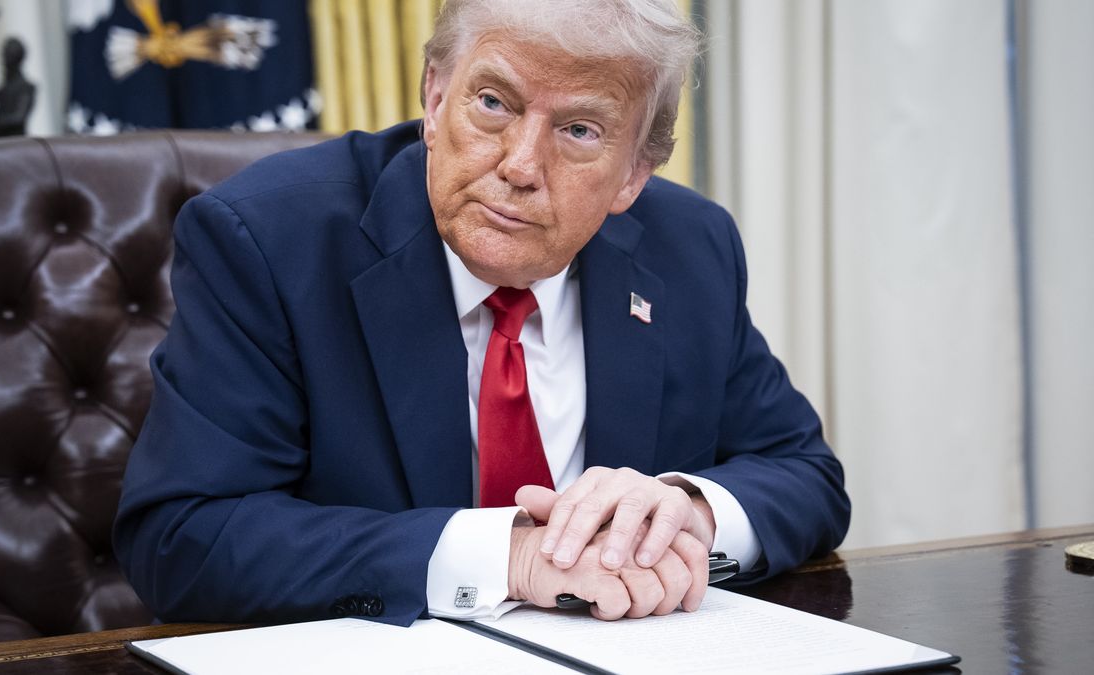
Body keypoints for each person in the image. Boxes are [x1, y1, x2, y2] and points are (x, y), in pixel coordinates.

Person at [114, 0, 849, 627]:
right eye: (493, 103)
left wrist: (688, 508)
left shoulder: (690, 248)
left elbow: (805, 473)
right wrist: (509, 556)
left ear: (634, 174)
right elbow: (183, 537)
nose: (521, 165)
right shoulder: (270, 241)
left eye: (580, 130)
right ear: (435, 100)